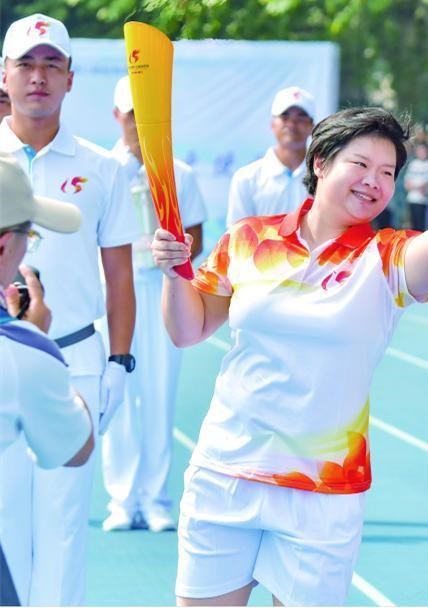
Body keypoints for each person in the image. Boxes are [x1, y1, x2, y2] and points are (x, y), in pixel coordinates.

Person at [152, 107, 428, 606]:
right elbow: (188, 329)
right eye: (361, 164)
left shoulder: (387, 257)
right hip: (226, 473)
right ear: (321, 162)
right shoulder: (249, 238)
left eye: (388, 173)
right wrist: (174, 271)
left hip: (323, 492)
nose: (375, 182)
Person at [0, 13, 138, 606]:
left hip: (73, 360)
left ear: (70, 79)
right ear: (4, 76)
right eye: (26, 65)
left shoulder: (102, 168)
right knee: (6, 530)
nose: (38, 77)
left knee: (60, 535)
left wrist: (119, 362)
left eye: (51, 65)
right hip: (4, 359)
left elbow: (120, 273)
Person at [101, 75, 207, 533]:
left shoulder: (178, 173)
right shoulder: (100, 169)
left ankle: (157, 497)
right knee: (118, 393)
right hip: (114, 294)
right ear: (117, 117)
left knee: (160, 394)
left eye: (147, 118)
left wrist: (173, 258)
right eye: (131, 117)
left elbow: (197, 232)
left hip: (160, 290)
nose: (138, 126)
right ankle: (122, 500)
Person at [0, 151, 94, 604]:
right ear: (4, 247)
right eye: (28, 235)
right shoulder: (23, 352)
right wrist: (37, 338)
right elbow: (76, 447)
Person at [225, 85, 315, 227]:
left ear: (312, 126)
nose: (292, 124)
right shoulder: (246, 178)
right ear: (272, 124)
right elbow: (237, 238)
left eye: (301, 118)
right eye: (285, 117)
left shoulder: (324, 177)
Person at [404, 141, 428, 231]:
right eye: (419, 150)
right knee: (414, 226)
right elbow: (407, 183)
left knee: (424, 227)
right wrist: (418, 187)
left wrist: (415, 187)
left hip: (425, 201)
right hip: (412, 199)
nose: (421, 152)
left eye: (423, 150)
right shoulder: (413, 164)